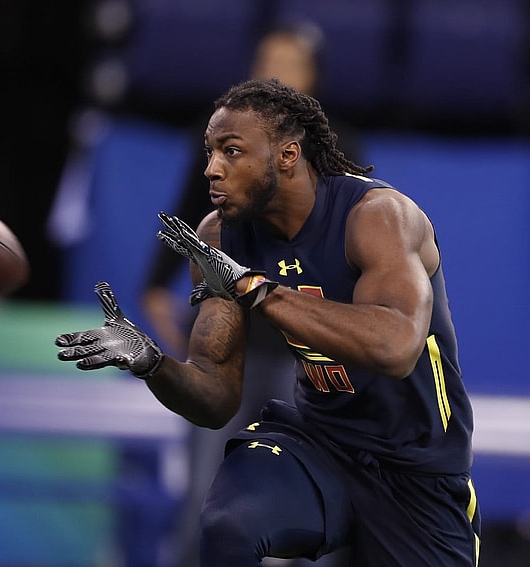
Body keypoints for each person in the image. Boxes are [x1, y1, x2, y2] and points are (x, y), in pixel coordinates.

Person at [55, 78, 481, 565]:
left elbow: (396, 348)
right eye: (210, 152)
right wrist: (152, 363)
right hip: (319, 443)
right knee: (229, 525)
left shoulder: (378, 216)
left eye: (231, 151)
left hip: (417, 468)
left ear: (287, 155)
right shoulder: (220, 234)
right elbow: (216, 397)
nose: (212, 169)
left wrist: (254, 289)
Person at [140, 22, 360, 567]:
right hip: (227, 343)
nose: (276, 71)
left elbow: (350, 245)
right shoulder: (223, 141)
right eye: (268, 59)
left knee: (308, 500)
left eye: (289, 62)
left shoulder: (337, 150)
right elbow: (190, 206)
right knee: (208, 492)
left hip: (303, 354)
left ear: (312, 79)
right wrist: (154, 287)